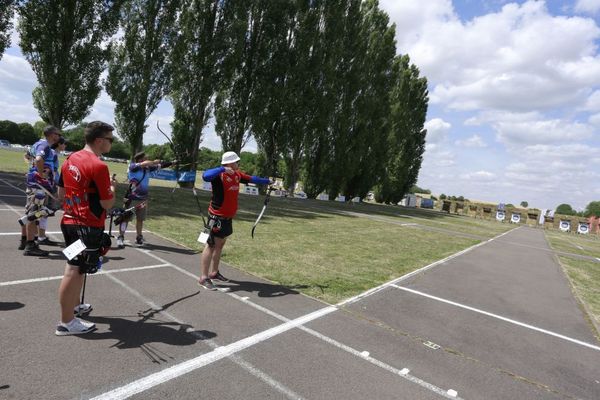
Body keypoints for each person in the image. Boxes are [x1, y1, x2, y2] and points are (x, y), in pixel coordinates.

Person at [55, 121, 116, 335]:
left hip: (70, 222)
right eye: (110, 139)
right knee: (74, 270)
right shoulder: (98, 166)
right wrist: (112, 190)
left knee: (76, 268)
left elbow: (61, 194)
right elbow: (107, 203)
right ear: (99, 140)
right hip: (87, 226)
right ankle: (66, 322)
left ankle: (72, 308)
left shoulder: (70, 159)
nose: (111, 143)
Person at [198, 151, 272, 290]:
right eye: (236, 161)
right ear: (229, 162)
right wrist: (222, 168)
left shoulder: (237, 175)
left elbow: (252, 179)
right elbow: (205, 176)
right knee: (210, 245)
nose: (238, 163)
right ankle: (203, 277)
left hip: (227, 218)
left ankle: (214, 272)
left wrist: (268, 181)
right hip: (215, 218)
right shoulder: (218, 175)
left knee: (220, 245)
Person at [116, 152, 174, 248]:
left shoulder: (147, 168)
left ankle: (139, 237)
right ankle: (121, 237)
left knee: (140, 219)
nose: (148, 160)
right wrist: (155, 161)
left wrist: (172, 162)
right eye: (146, 158)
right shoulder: (133, 167)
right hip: (131, 198)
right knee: (125, 218)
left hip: (143, 199)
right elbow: (147, 163)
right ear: (140, 160)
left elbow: (161, 165)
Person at [20, 125, 62, 256]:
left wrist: (33, 169)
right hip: (39, 186)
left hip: (35, 184)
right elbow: (38, 159)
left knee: (34, 212)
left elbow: (28, 157)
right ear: (52, 134)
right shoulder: (45, 145)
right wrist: (40, 173)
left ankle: (25, 240)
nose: (59, 137)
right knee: (35, 213)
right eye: (57, 134)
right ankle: (30, 245)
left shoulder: (37, 144)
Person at [37, 136, 68, 246]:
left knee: (45, 210)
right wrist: (56, 184)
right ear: (59, 144)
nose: (66, 146)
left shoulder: (53, 153)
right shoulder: (53, 153)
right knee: (47, 209)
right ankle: (40, 235)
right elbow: (52, 172)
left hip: (48, 183)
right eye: (65, 144)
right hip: (50, 184)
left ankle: (39, 234)